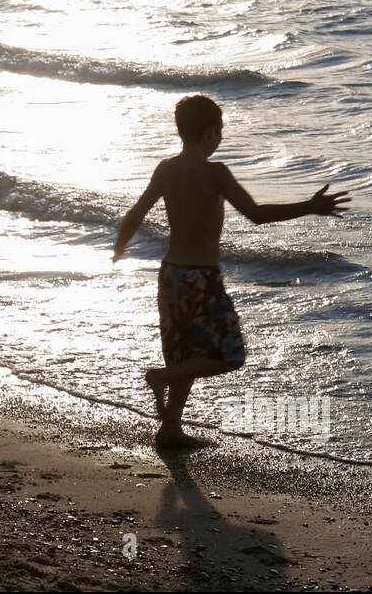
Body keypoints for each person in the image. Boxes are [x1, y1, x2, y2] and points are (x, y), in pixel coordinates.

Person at [112, 95, 350, 449]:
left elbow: (137, 211)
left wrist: (120, 245)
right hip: (201, 278)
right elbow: (257, 214)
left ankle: (170, 431)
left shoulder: (166, 169)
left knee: (185, 355)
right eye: (219, 132)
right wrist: (310, 207)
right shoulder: (216, 173)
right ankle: (161, 377)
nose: (220, 139)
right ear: (209, 133)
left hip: (171, 274)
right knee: (229, 356)